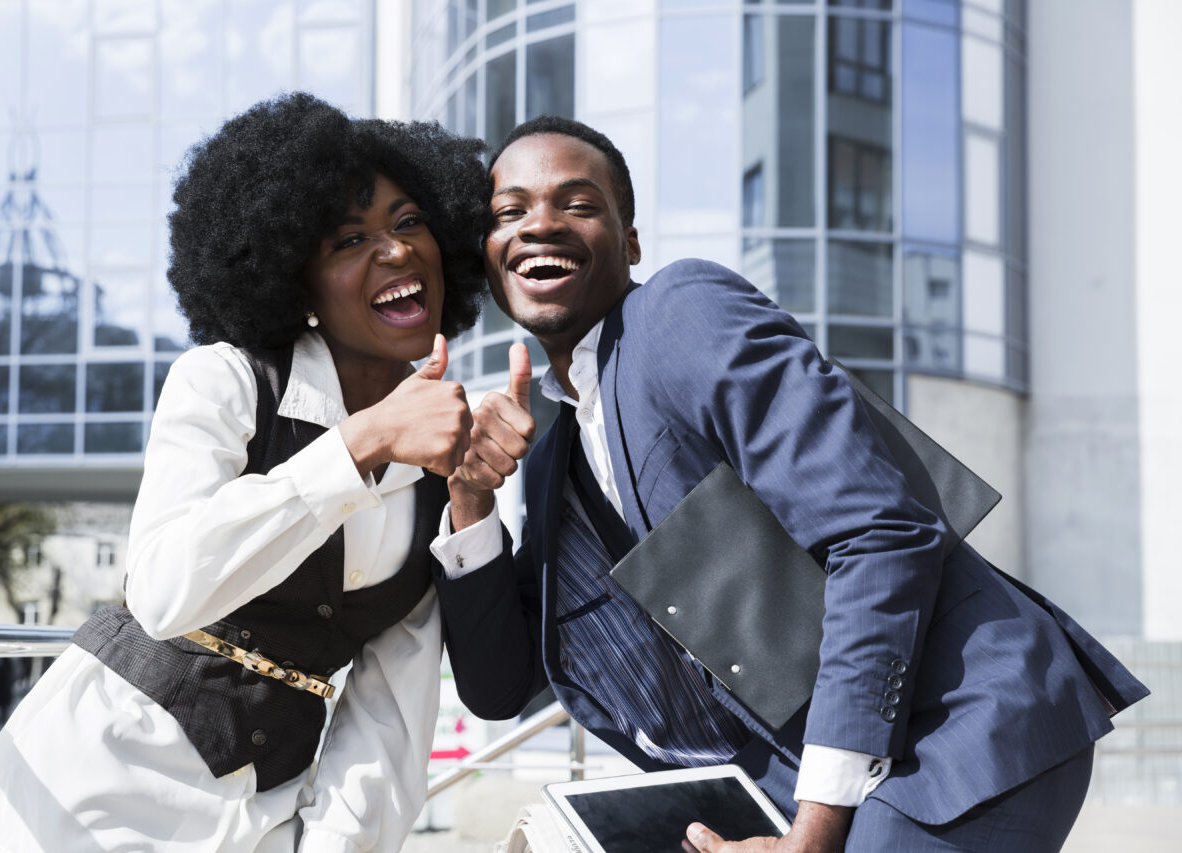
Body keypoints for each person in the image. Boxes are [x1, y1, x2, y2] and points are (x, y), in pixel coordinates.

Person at [429, 116, 1148, 853]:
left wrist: (813, 832)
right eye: (509, 212)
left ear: (631, 240)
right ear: (487, 258)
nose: (539, 225)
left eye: (577, 204)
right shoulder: (553, 452)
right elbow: (498, 686)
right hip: (809, 784)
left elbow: (884, 530)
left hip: (954, 732)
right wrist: (472, 500)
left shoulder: (677, 315)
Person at [0, 92, 488, 853]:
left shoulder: (437, 478)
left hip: (255, 822)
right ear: (295, 282)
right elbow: (164, 592)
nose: (395, 251)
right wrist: (360, 443)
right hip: (78, 798)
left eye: (408, 223)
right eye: (348, 239)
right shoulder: (225, 380)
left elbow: (390, 718)